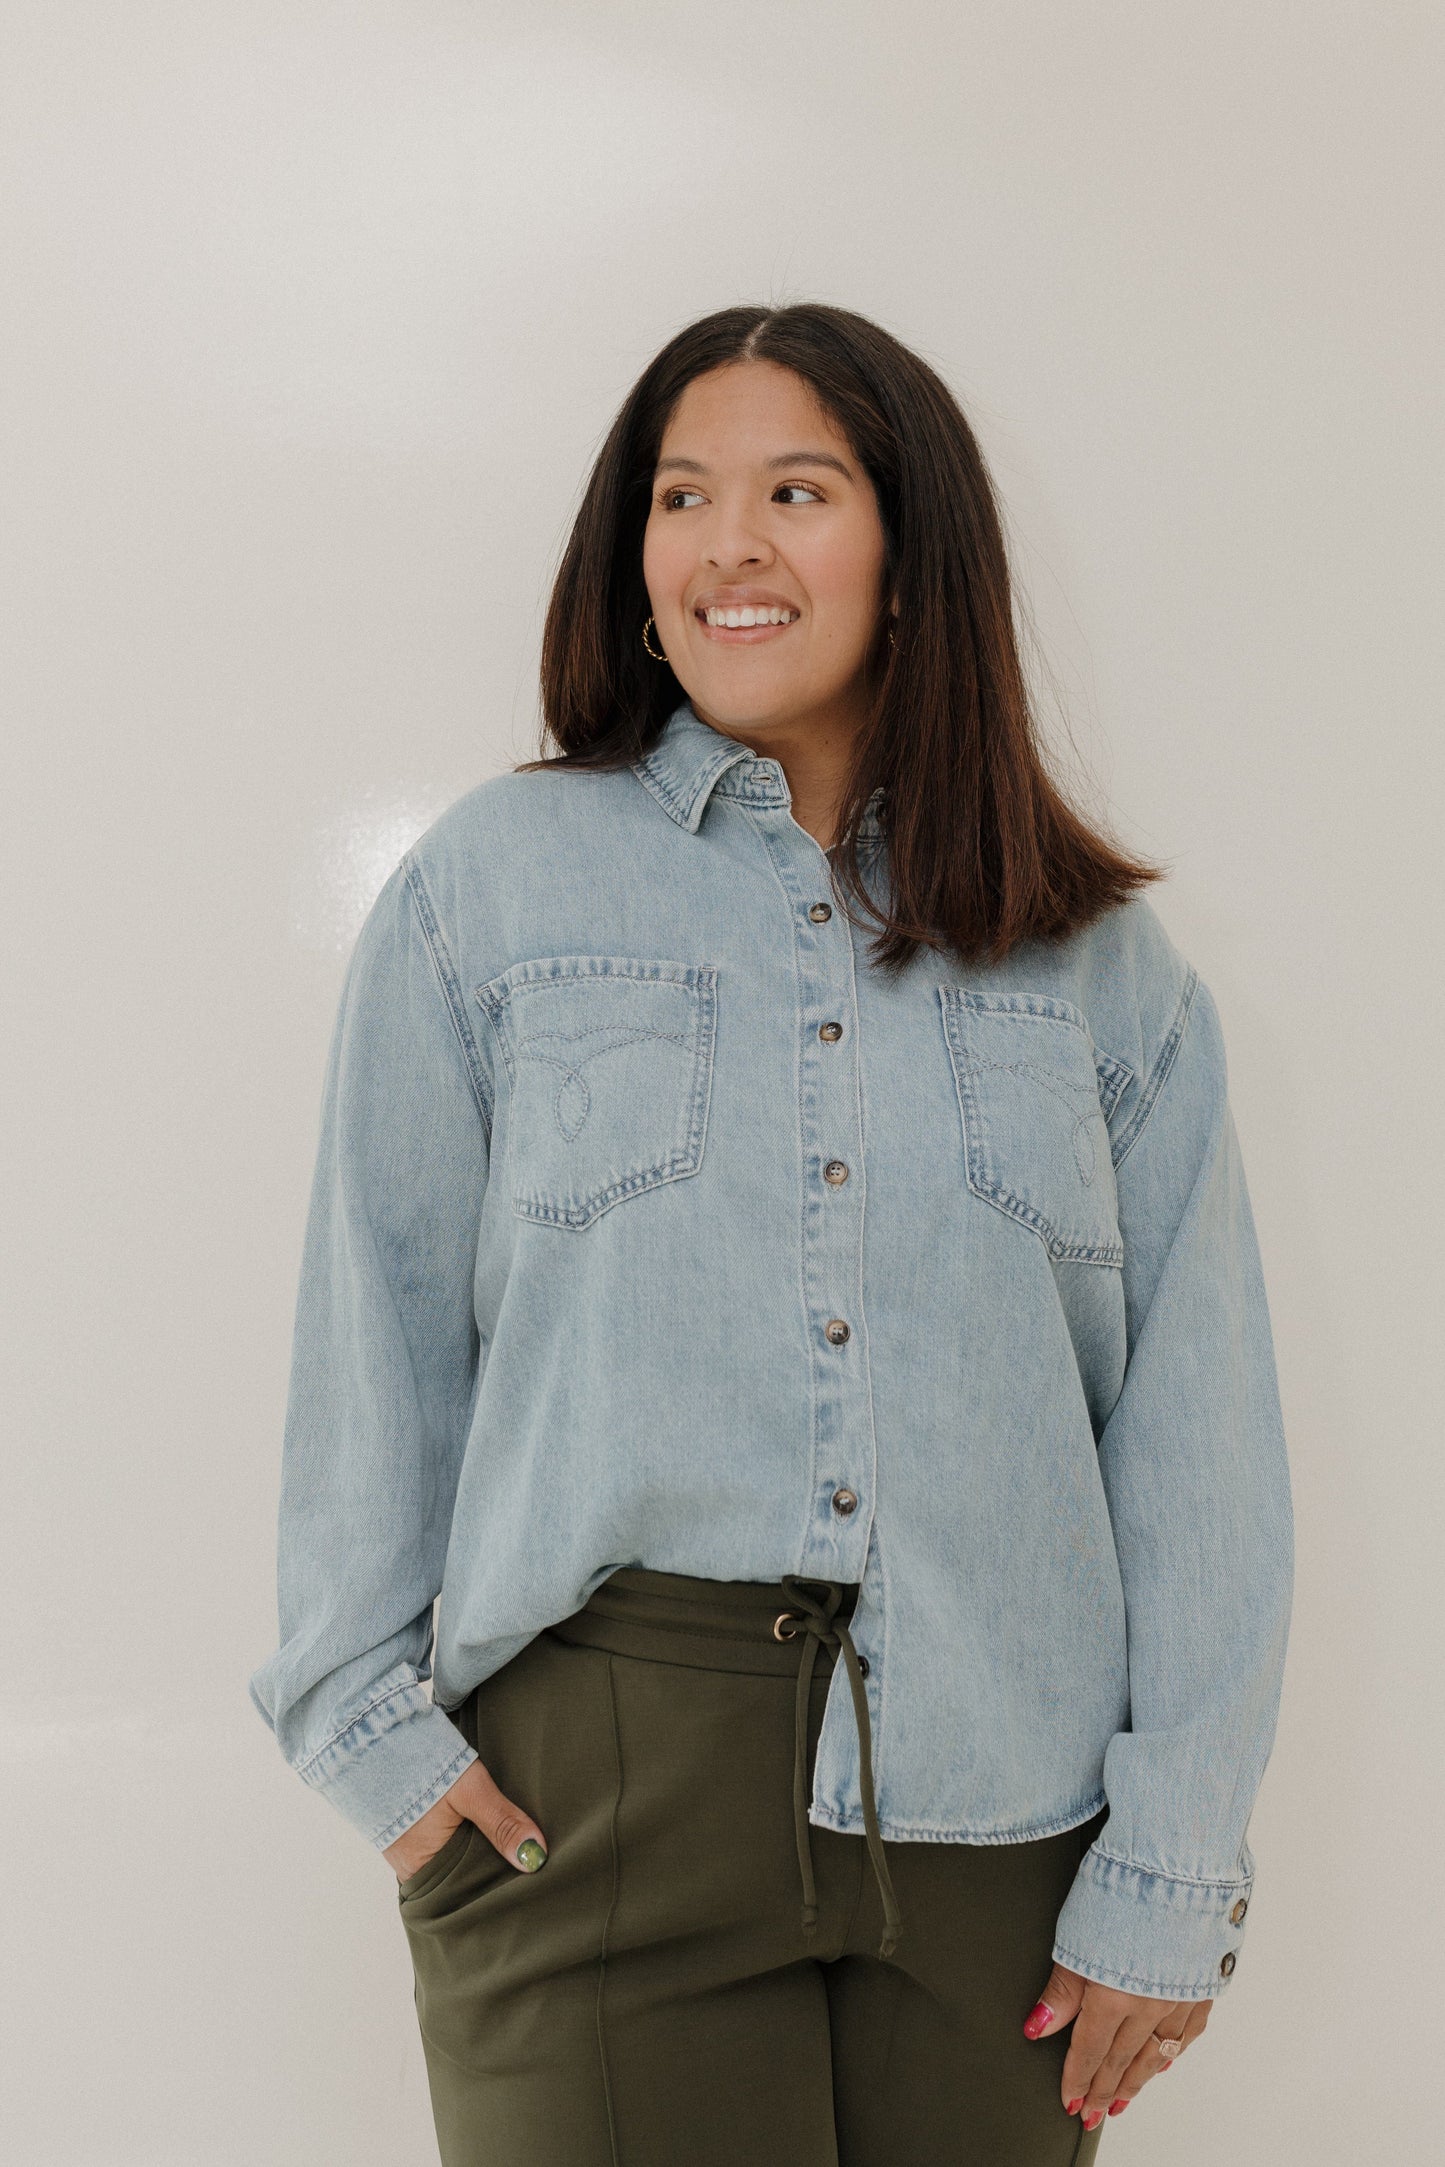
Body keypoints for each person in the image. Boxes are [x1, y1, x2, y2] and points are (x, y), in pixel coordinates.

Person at [248, 302, 1294, 2165]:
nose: (724, 544)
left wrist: (1172, 1860)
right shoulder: (492, 892)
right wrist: (376, 1742)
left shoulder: (1094, 969)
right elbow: (377, 1340)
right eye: (679, 495)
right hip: (596, 1801)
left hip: (1002, 1823)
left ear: (908, 553)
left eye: (793, 491)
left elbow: (1194, 1445)